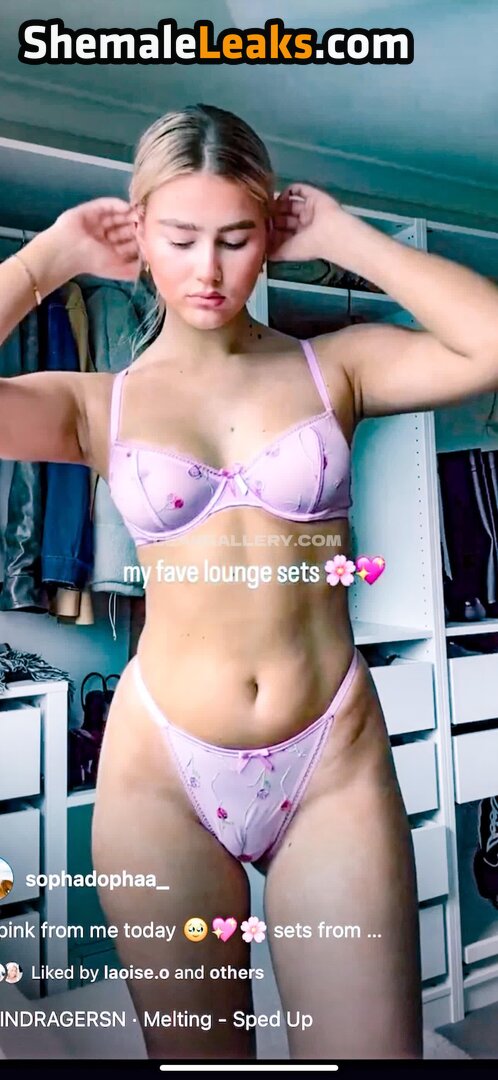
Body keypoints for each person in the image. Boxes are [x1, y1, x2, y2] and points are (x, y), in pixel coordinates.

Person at [0, 103, 497, 1062]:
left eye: (235, 237)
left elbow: (489, 343)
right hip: (162, 776)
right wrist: (46, 260)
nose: (209, 268)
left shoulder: (333, 368)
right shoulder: (101, 405)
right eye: (181, 237)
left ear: (268, 233)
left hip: (330, 760)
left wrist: (348, 238)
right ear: (140, 235)